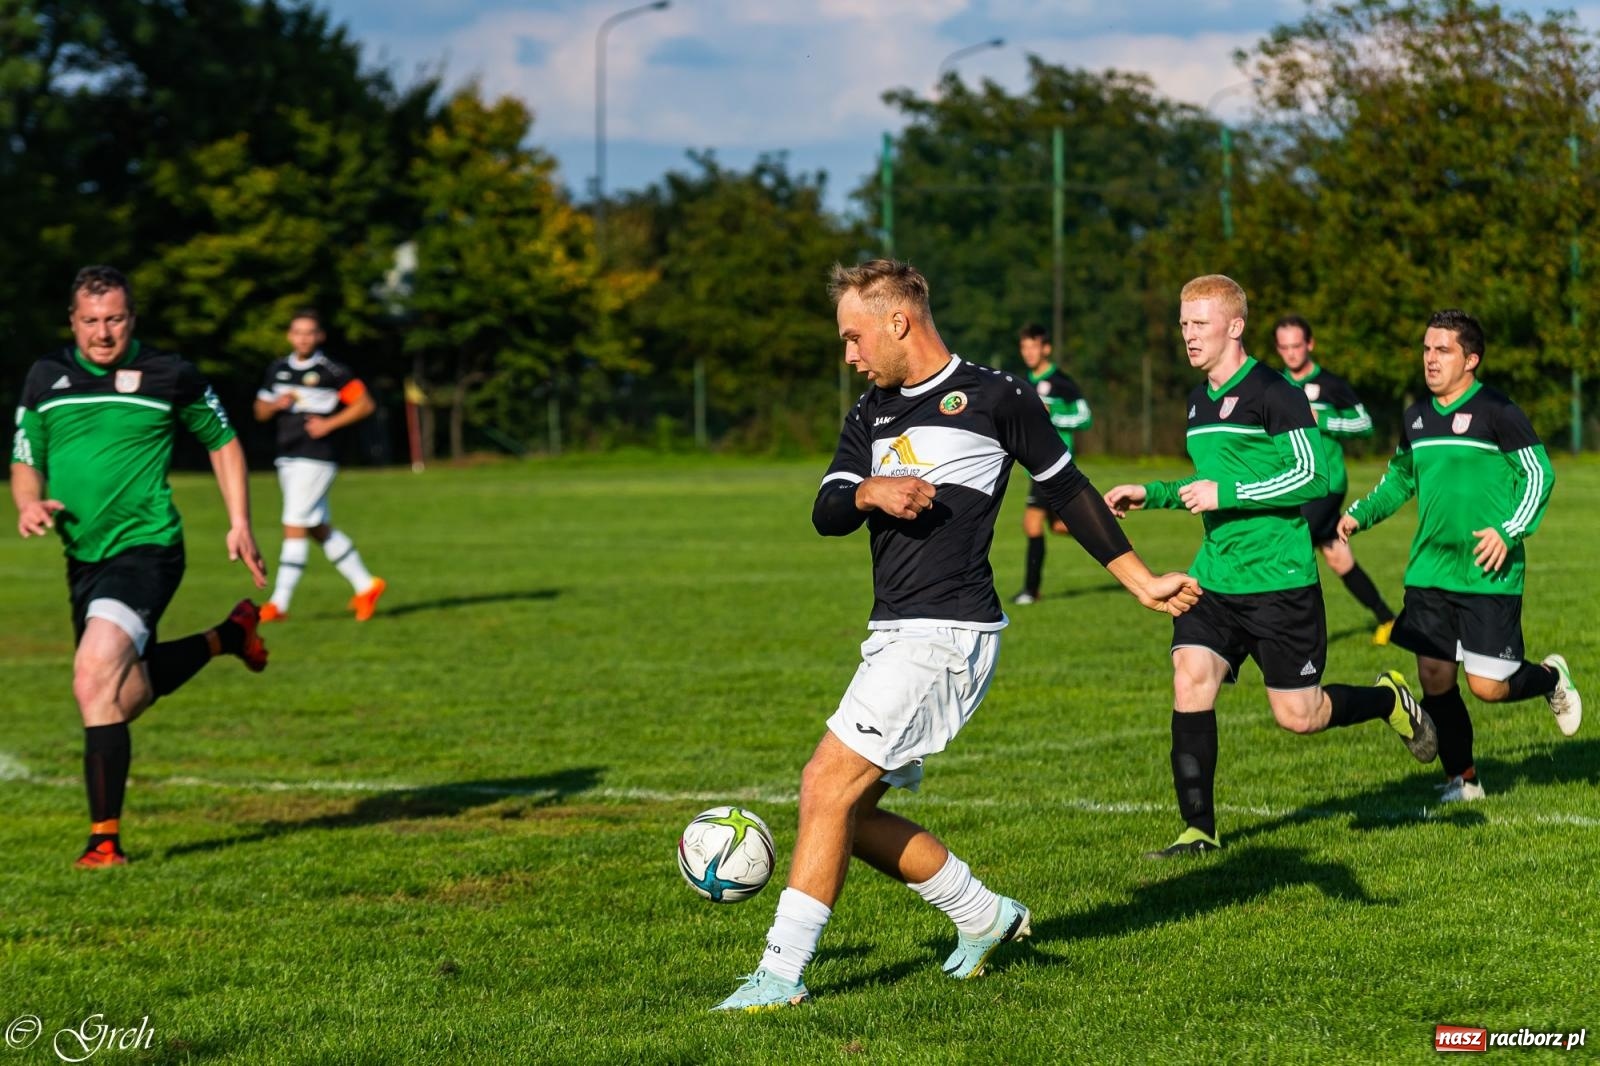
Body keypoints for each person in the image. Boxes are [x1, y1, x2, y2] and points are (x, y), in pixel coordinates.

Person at [712, 259, 1201, 1012]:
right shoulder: (869, 414)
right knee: (854, 810)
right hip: (893, 632)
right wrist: (870, 490)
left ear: (897, 321)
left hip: (946, 632)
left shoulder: (997, 396)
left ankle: (780, 975)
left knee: (823, 785)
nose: (849, 354)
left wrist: (1141, 581)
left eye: (854, 336)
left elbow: (1067, 487)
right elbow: (827, 507)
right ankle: (984, 916)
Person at [1103, 275, 1436, 859]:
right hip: (1215, 579)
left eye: (1199, 324)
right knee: (1190, 679)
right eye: (1183, 324)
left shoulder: (1274, 392)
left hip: (1281, 584)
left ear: (1234, 326)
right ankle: (1198, 830)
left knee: (1299, 717)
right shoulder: (1198, 400)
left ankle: (1387, 701)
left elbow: (1312, 477)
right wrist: (1151, 492)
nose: (1188, 335)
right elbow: (1204, 483)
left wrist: (1226, 492)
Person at [10, 265, 270, 867]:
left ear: (133, 318)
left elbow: (223, 440)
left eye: (116, 319)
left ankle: (104, 843)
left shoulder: (169, 373)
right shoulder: (46, 377)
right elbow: (26, 456)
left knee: (91, 676)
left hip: (147, 548)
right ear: (72, 321)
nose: (103, 333)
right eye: (92, 321)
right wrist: (28, 502)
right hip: (82, 558)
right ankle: (228, 637)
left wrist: (240, 522)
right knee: (115, 699)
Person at [1338, 309, 1579, 802]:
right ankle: (1463, 779)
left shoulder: (1498, 411)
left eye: (1442, 350)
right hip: (1430, 570)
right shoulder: (1417, 417)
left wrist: (1509, 531)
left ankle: (1551, 678)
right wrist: (1359, 515)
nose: (1430, 359)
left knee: (1487, 687)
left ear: (1471, 359)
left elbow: (1539, 475)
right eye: (1426, 349)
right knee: (1434, 675)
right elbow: (1401, 478)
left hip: (1488, 571)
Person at [252, 309, 385, 622]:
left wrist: (330, 424)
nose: (303, 338)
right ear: (289, 335)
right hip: (287, 456)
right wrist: (274, 405)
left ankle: (279, 604)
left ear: (319, 336)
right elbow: (259, 411)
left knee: (294, 524)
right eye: (298, 332)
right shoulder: (278, 369)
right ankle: (367, 585)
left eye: (310, 332)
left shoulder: (332, 371)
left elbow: (365, 404)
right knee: (315, 527)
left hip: (318, 457)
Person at [1274, 315, 1397, 642]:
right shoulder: (1274, 386)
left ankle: (1295, 632)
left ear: (1310, 345)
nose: (1291, 353)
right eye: (1284, 347)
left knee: (1290, 546)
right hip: (1292, 486)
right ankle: (1388, 619)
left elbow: (1365, 423)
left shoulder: (1330, 385)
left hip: (1326, 485)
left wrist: (1323, 419)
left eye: (1297, 345)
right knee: (1338, 557)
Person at [1011, 323, 1092, 605]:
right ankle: (1107, 530)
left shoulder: (1062, 382)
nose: (1028, 353)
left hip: (1054, 462)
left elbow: (1085, 417)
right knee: (1059, 525)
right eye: (1024, 347)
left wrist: (1052, 414)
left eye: (1034, 346)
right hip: (1035, 464)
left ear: (1046, 348)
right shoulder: (1024, 383)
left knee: (1031, 524)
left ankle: (1030, 591)